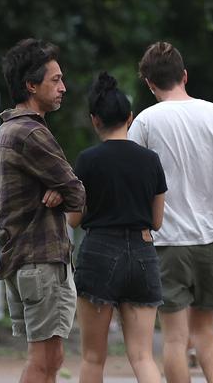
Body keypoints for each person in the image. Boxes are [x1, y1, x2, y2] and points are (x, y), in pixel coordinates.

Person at [130, 41, 213, 383]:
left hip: (166, 243)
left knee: (175, 338)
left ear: (149, 83)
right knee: (206, 334)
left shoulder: (145, 123)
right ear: (184, 75)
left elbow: (134, 184)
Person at [0, 38, 86, 383]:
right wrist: (63, 193)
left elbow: (65, 189)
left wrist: (58, 191)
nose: (63, 88)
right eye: (55, 80)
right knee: (42, 360)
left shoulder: (8, 129)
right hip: (40, 259)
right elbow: (77, 192)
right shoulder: (32, 133)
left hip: (26, 260)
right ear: (31, 85)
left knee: (52, 356)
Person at [67, 71, 167, 383]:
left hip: (98, 252)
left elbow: (74, 219)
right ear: (130, 117)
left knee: (93, 358)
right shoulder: (150, 160)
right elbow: (158, 221)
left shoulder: (86, 160)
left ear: (94, 120)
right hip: (142, 251)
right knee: (142, 356)